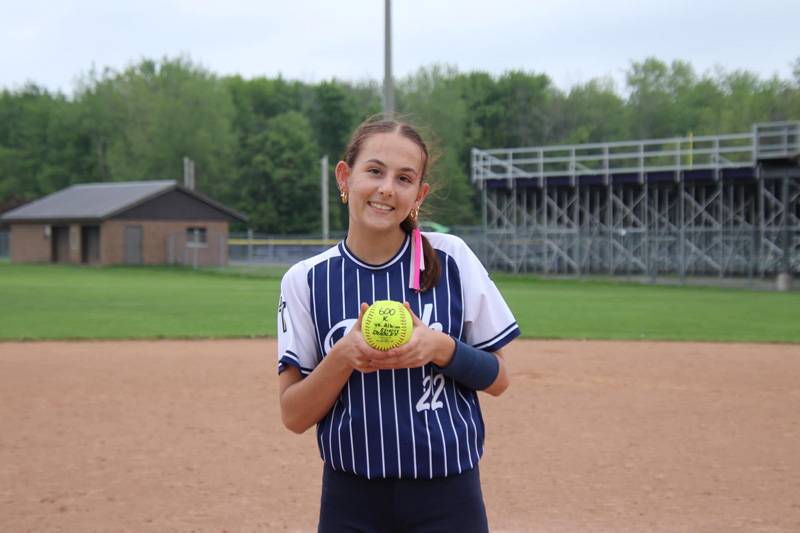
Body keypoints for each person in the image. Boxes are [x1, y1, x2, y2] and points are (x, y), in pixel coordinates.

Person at [277, 116, 520, 532]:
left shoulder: (452, 258)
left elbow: (498, 378)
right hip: (351, 498)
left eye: (404, 178)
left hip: (448, 494)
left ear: (418, 194)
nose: (387, 188)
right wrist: (343, 357)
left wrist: (440, 348)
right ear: (345, 176)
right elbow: (294, 415)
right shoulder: (307, 278)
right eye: (374, 171)